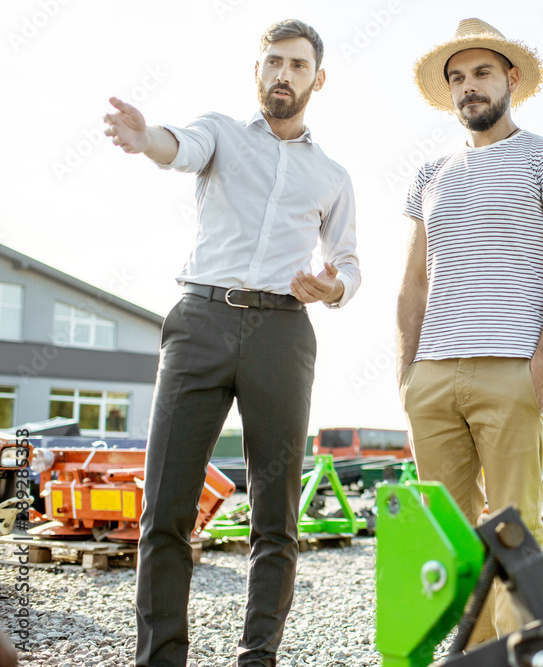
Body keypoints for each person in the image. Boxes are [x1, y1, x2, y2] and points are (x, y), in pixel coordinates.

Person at [104, 19, 360, 667]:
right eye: (273, 62)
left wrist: (331, 286)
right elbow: (178, 145)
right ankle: (161, 658)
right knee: (165, 508)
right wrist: (146, 139)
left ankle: (257, 657)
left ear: (317, 79)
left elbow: (349, 265)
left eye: (298, 66)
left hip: (283, 333)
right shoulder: (220, 131)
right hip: (199, 323)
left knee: (276, 519)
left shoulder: (332, 176)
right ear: (257, 71)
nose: (284, 74)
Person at [396, 18, 543, 644]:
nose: (468, 88)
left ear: (511, 79)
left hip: (511, 369)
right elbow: (413, 283)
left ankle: (517, 656)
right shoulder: (429, 174)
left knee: (514, 530)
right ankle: (468, 656)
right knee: (446, 537)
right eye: (457, 79)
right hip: (433, 377)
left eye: (481, 73)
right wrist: (407, 373)